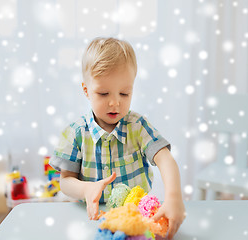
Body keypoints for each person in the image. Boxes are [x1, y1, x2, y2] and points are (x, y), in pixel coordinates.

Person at [49, 37, 185, 239]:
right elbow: (66, 181)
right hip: (92, 219)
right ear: (86, 91)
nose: (115, 103)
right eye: (103, 94)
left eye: (124, 93)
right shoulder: (75, 132)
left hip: (135, 220)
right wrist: (86, 189)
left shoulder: (138, 126)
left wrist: (174, 197)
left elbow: (165, 159)